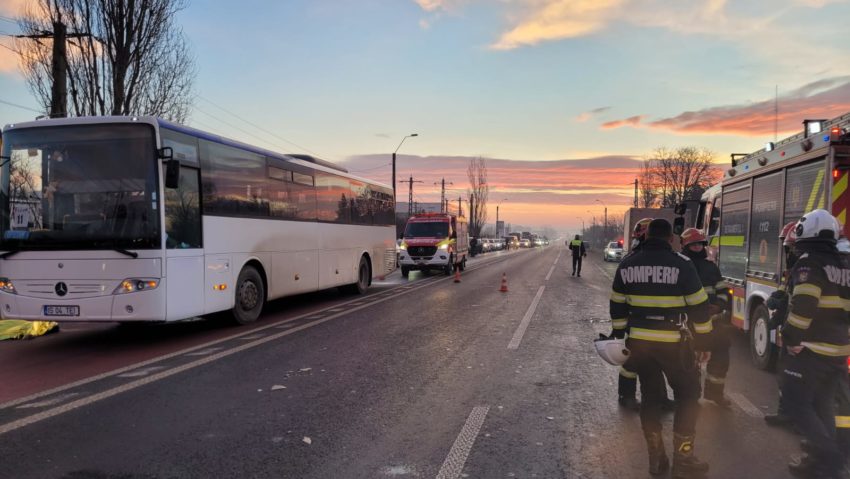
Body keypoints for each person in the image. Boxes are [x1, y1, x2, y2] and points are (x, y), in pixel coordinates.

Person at [610, 218, 712, 477]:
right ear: (670, 239)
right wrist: (703, 343)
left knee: (651, 400)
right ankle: (683, 459)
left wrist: (619, 336)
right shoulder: (683, 265)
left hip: (641, 345)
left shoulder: (627, 264)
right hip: (674, 344)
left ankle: (656, 459)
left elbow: (618, 306)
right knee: (688, 397)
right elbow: (699, 308)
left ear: (645, 237)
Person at [779, 209, 850, 478]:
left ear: (804, 234)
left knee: (795, 403)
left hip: (812, 349)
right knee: (822, 404)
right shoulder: (844, 263)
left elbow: (804, 305)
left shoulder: (809, 263)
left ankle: (830, 459)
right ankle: (819, 464)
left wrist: (790, 338)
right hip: (839, 349)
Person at [617, 218, 675, 412]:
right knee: (632, 364)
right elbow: (620, 296)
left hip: (648, 324)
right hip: (640, 324)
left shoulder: (635, 259)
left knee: (652, 364)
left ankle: (659, 398)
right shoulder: (635, 258)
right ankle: (627, 397)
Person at [680, 228, 732, 408]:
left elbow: (724, 291)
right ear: (686, 246)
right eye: (693, 245)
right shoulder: (681, 267)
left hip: (714, 322)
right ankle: (691, 397)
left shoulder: (711, 267)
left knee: (721, 356)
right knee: (690, 362)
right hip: (690, 324)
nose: (697, 248)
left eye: (700, 244)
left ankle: (715, 393)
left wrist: (718, 305)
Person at [765, 221, 801, 428]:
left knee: (795, 377)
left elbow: (802, 306)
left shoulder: (807, 270)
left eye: (789, 248)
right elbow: (790, 298)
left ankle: (795, 417)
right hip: (795, 333)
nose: (787, 253)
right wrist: (779, 304)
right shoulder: (796, 269)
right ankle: (786, 412)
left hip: (800, 337)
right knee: (786, 374)